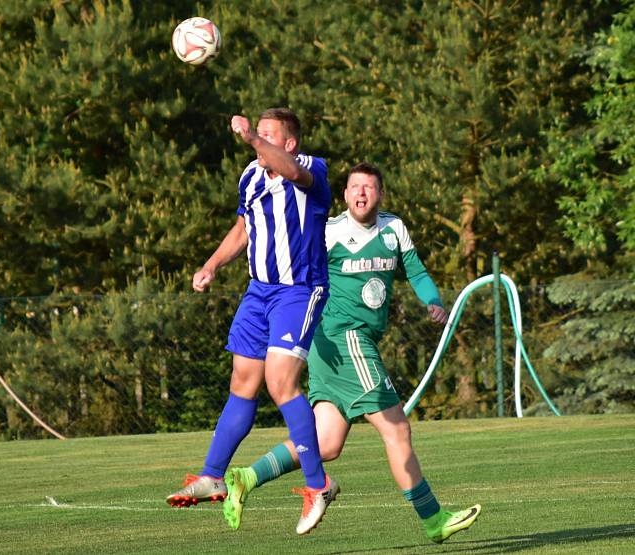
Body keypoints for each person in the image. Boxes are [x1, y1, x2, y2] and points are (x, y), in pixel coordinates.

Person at [221, 162, 481, 544]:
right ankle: (433, 517)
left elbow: (417, 271)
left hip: (342, 348)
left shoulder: (394, 229)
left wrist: (432, 302)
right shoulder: (329, 233)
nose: (361, 193)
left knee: (325, 443)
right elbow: (299, 275)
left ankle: (245, 477)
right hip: (343, 339)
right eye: (355, 187)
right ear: (344, 195)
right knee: (397, 428)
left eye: (369, 188)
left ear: (380, 194)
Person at [166, 108, 338, 535]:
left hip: (299, 289)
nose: (258, 138)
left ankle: (319, 485)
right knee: (243, 381)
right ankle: (213, 476)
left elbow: (293, 174)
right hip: (258, 292)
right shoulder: (251, 176)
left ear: (289, 143)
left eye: (268, 134)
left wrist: (252, 140)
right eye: (257, 132)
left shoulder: (311, 168)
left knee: (281, 383)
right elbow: (243, 228)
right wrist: (211, 265)